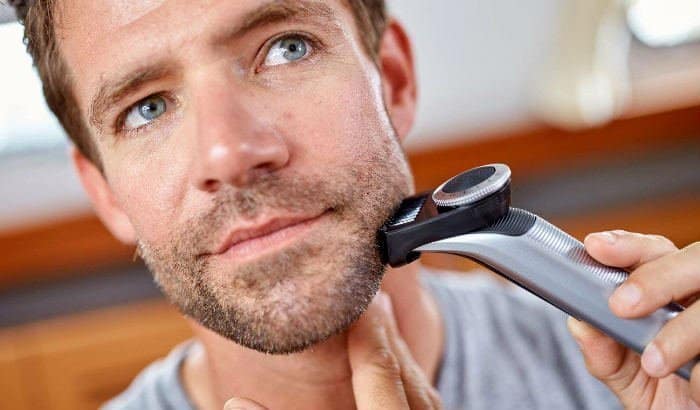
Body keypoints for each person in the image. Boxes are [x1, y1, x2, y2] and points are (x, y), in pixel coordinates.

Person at [9, 1, 700, 409]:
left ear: (392, 82)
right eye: (146, 108)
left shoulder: (646, 374)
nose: (230, 151)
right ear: (105, 192)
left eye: (285, 48)